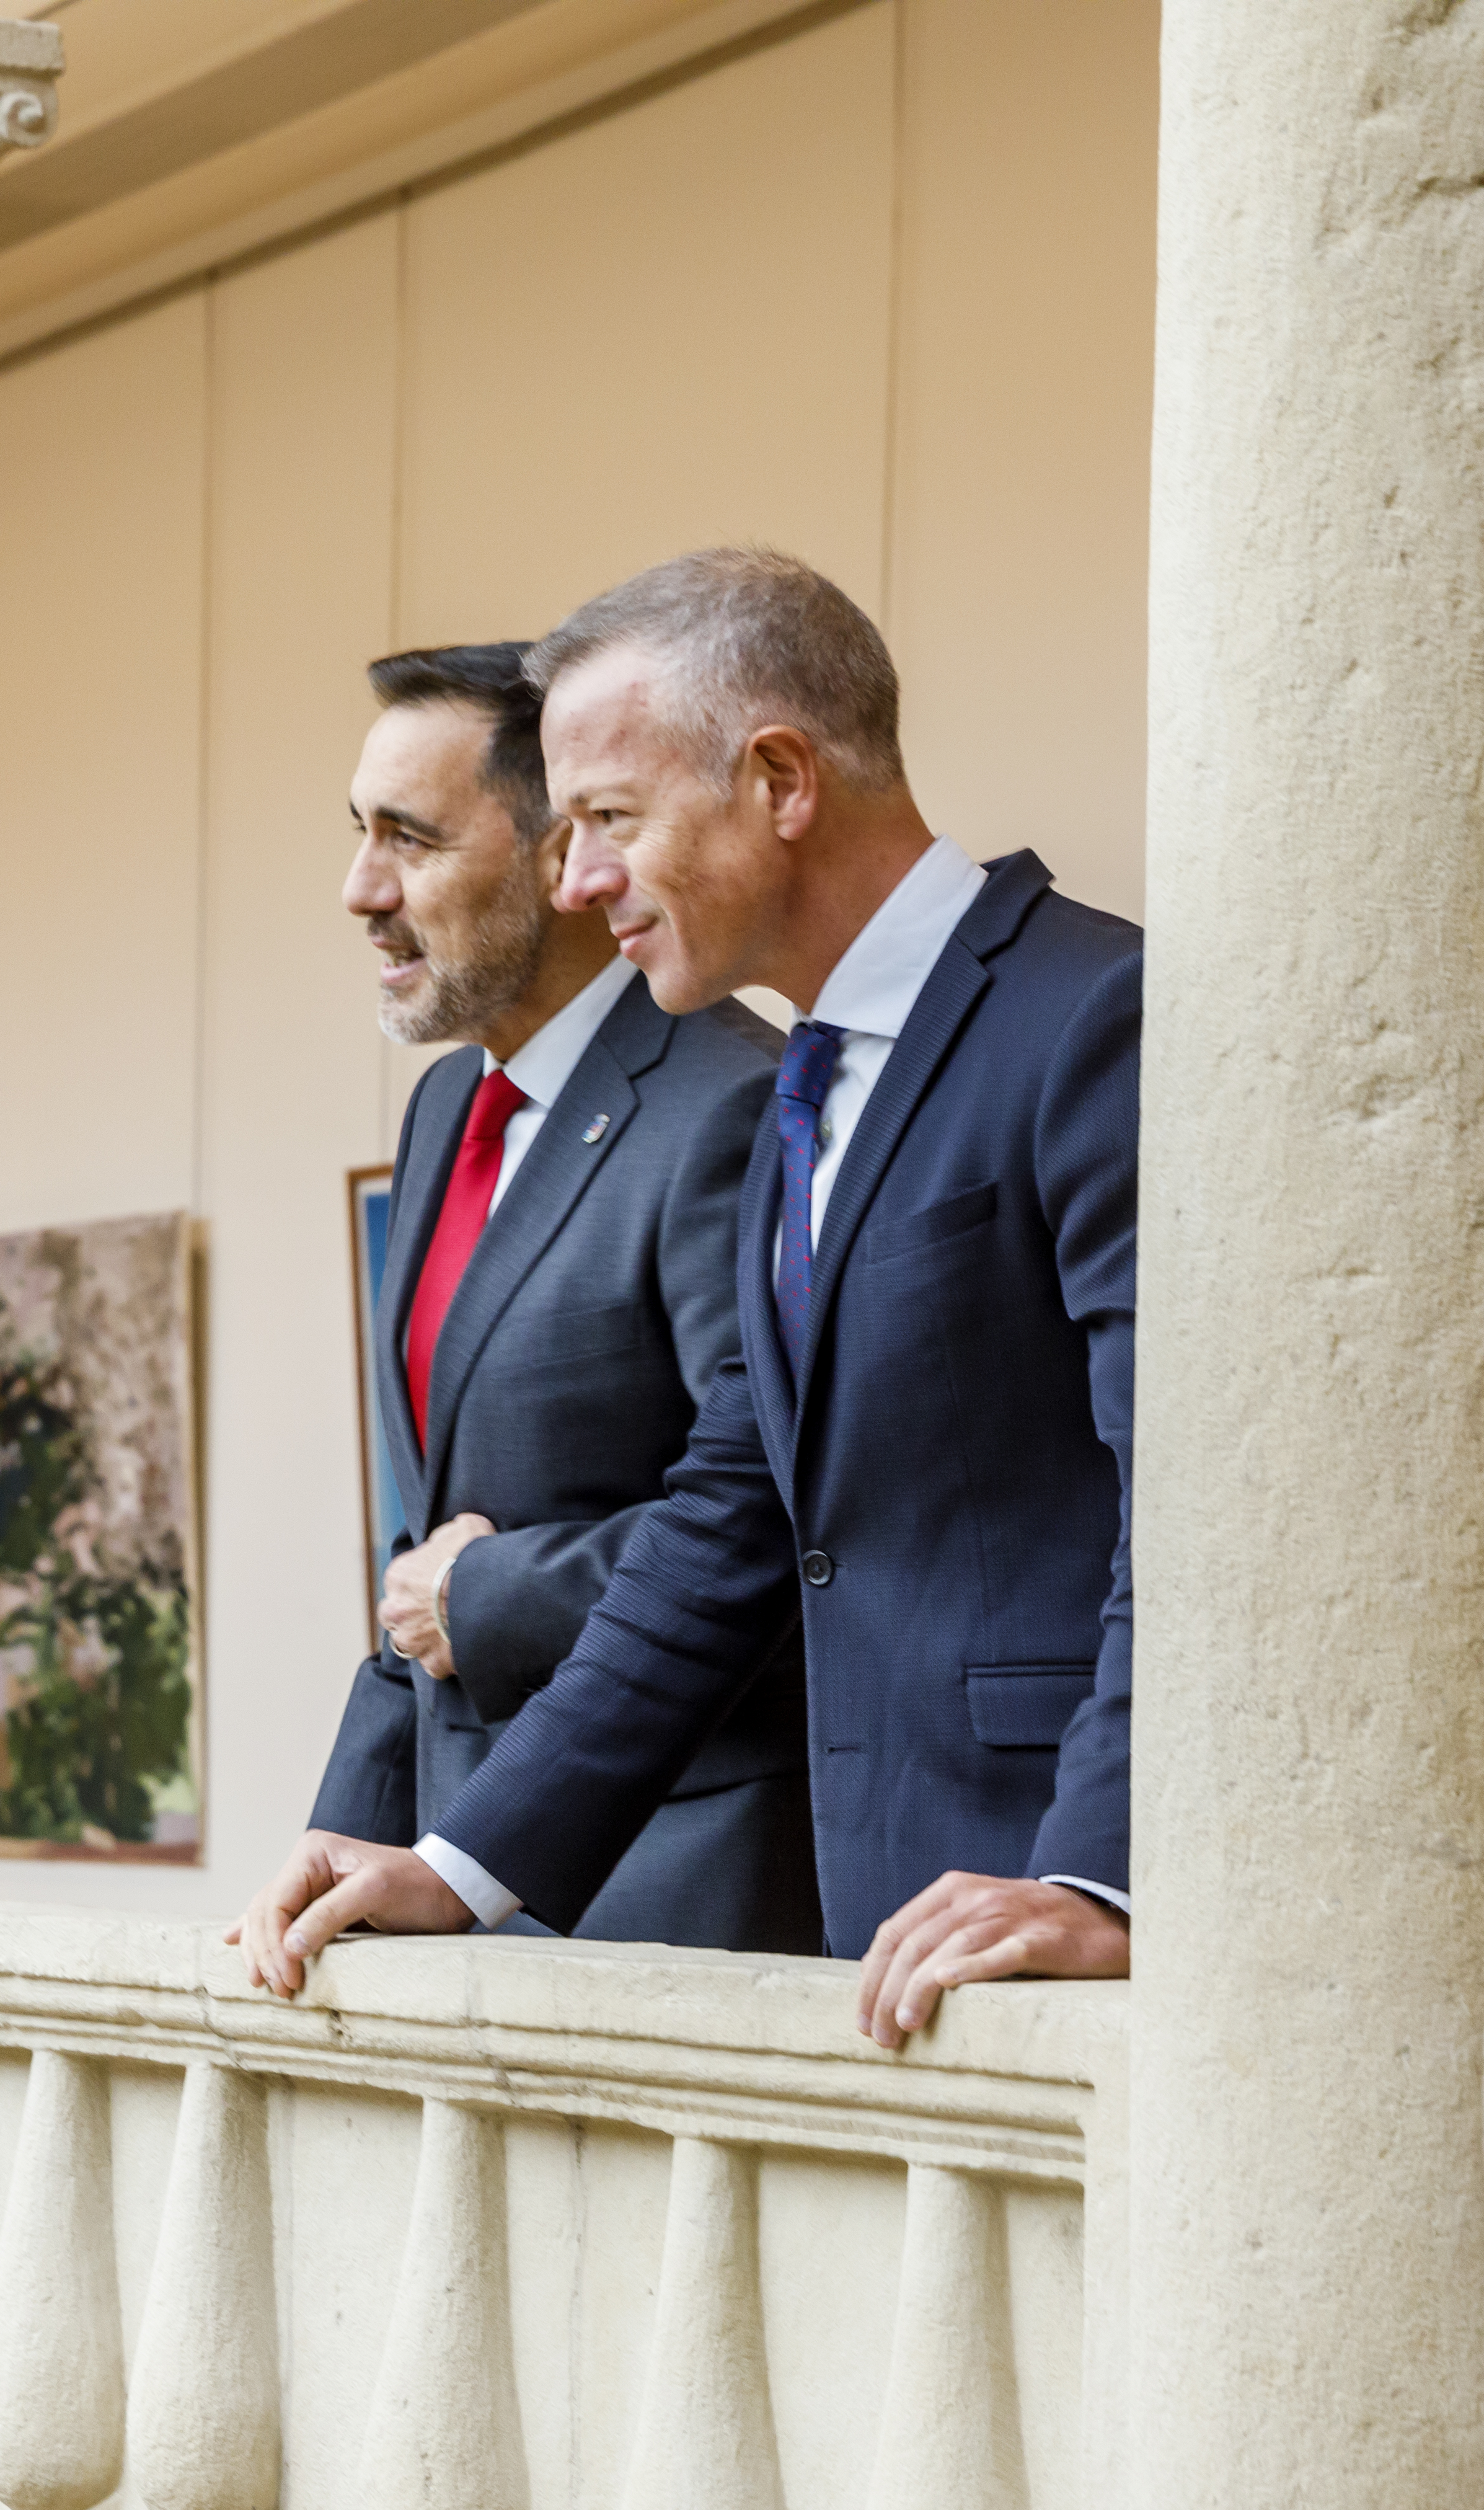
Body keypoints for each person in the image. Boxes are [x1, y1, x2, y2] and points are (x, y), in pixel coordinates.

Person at [234, 549, 1139, 2047]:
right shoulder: (803, 1091)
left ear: (780, 779)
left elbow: (1199, 1507)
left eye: (609, 819)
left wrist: (1103, 1873)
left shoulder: (1095, 1017)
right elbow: (732, 1523)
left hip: (1056, 1943)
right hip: (875, 1962)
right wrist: (461, 1866)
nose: (581, 878)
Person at [311, 642, 819, 1952]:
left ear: (561, 855)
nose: (362, 889)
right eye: (360, 834)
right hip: (444, 1885)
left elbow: (772, 1520)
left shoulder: (737, 1104)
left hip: (675, 1892)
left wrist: (487, 1596)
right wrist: (339, 1843)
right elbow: (420, 1546)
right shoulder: (445, 1112)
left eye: (410, 839)